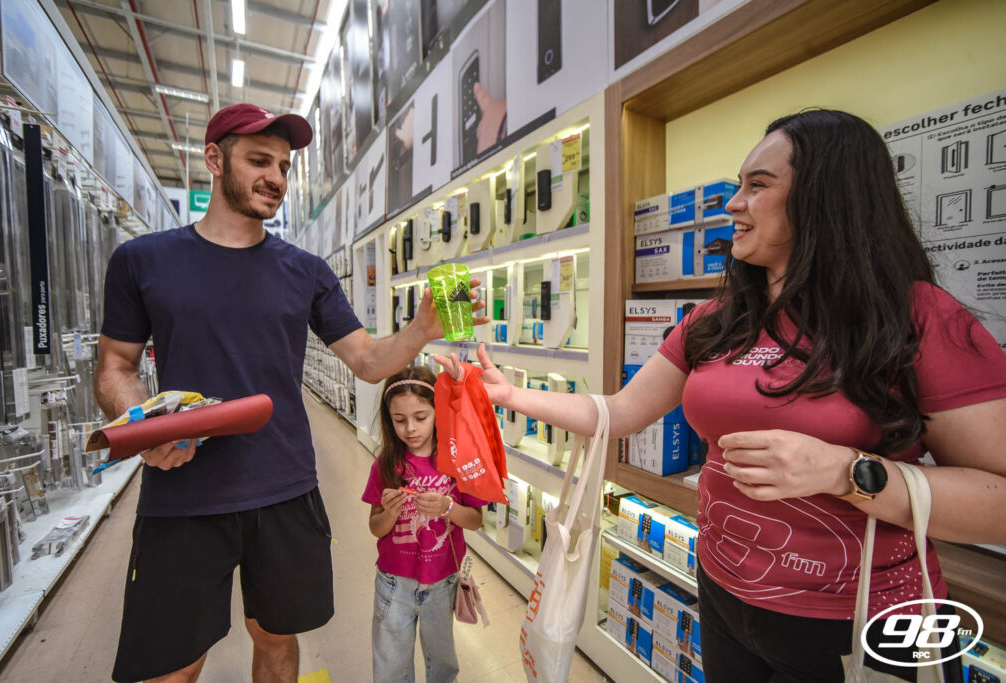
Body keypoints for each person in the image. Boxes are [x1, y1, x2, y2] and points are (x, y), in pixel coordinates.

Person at [438, 109, 1006, 682]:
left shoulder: (919, 318)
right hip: (722, 593)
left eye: (758, 185)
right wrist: (511, 395)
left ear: (826, 198)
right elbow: (621, 411)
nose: (733, 203)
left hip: (859, 619)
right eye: (739, 184)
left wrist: (845, 472)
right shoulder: (715, 320)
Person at [94, 102, 488, 683]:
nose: (275, 177)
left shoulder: (305, 271)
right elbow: (115, 365)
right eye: (259, 161)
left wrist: (421, 331)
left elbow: (367, 361)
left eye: (283, 166)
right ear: (214, 160)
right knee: (172, 664)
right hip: (183, 495)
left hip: (284, 488)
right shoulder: (143, 260)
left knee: (277, 637)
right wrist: (142, 423)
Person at [362, 366, 485, 683]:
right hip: (393, 583)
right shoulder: (385, 464)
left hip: (442, 581)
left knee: (442, 661)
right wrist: (390, 513)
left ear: (438, 412)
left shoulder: (457, 460)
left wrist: (448, 507)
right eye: (399, 420)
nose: (410, 429)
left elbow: (475, 520)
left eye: (420, 417)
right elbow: (375, 527)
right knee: (390, 665)